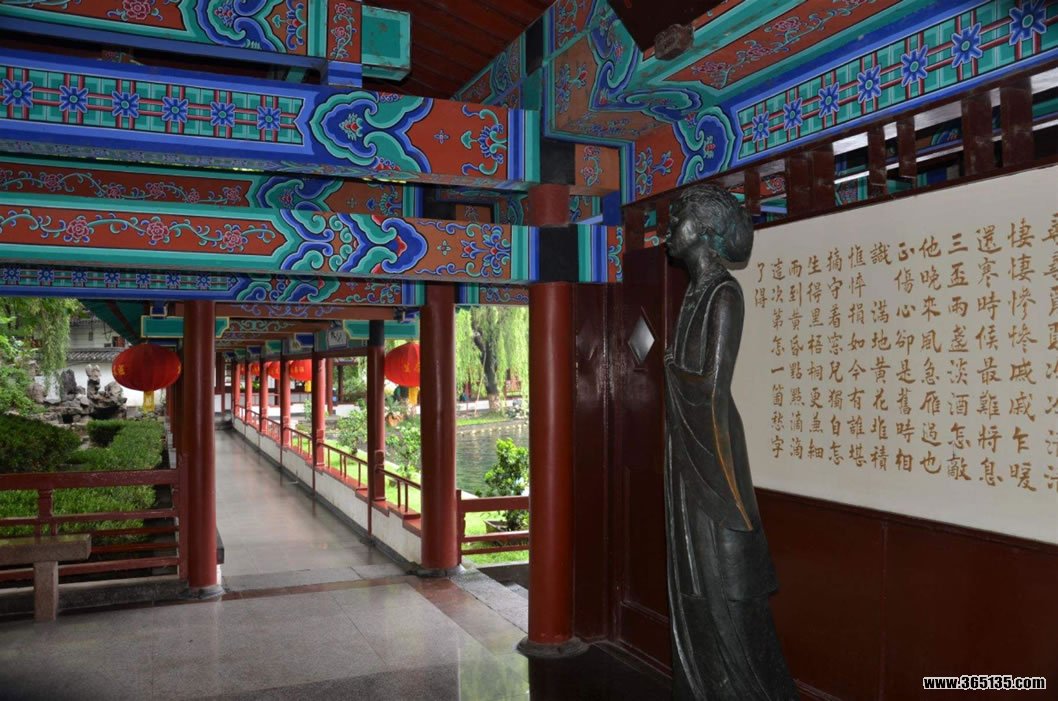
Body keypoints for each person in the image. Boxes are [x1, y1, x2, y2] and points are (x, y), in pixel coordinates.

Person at [663, 184, 797, 700]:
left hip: (714, 447)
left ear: (703, 229)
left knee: (726, 573)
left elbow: (714, 387)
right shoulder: (694, 293)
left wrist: (673, 373)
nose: (668, 231)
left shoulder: (723, 295)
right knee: (694, 573)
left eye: (677, 220)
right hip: (690, 442)